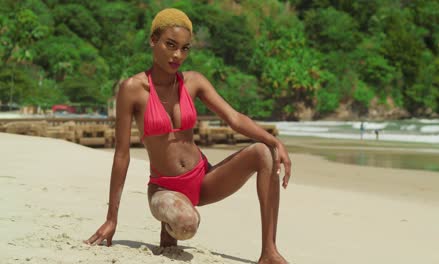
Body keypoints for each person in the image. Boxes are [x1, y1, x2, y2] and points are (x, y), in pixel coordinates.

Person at [85, 8, 291, 264]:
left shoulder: (193, 82)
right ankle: (169, 224)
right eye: (170, 45)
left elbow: (234, 118)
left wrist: (275, 141)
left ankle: (268, 251)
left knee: (264, 152)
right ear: (153, 40)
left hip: (204, 179)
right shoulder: (133, 90)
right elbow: (122, 155)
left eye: (184, 48)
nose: (177, 55)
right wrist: (112, 218)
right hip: (165, 189)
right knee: (186, 223)